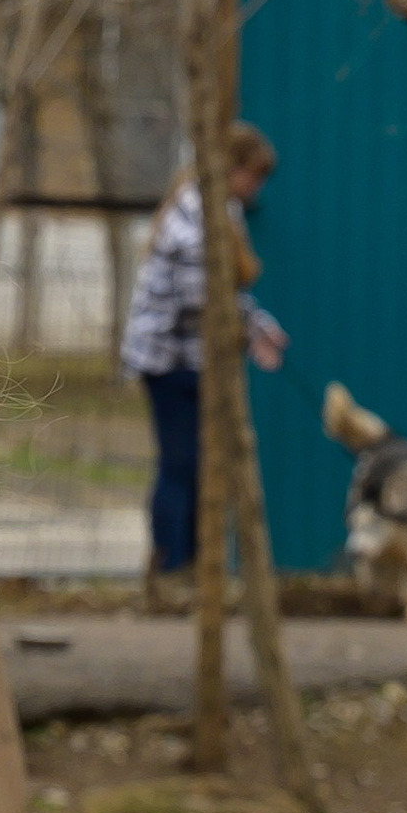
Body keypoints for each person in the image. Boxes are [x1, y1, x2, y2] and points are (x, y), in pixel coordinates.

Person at [117, 124, 288, 593]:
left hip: (194, 359)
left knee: (200, 465)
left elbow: (224, 293)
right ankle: (172, 567)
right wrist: (245, 332)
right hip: (168, 360)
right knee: (181, 464)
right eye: (253, 176)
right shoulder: (193, 215)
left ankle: (193, 566)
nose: (256, 188)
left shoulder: (224, 210)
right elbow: (200, 298)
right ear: (232, 169)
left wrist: (258, 327)